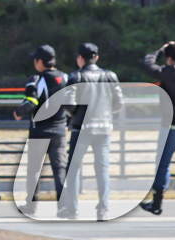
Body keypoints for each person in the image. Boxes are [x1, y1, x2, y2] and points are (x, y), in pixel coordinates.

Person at [61, 43, 123, 221]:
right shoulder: (110, 76)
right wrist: (106, 112)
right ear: (96, 57)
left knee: (74, 168)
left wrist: (76, 115)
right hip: (104, 127)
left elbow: (68, 103)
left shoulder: (75, 76)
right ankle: (103, 209)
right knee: (102, 168)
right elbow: (119, 102)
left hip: (82, 128)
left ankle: (72, 209)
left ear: (80, 58)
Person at [14, 44, 72, 211]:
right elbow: (71, 104)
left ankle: (31, 205)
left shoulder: (36, 79)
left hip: (40, 131)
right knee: (60, 169)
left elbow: (30, 103)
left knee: (34, 170)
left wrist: (18, 112)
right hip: (60, 130)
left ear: (39, 62)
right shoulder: (66, 77)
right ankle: (63, 206)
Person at [138, 40, 175, 216]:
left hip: (171, 124)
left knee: (163, 164)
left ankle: (157, 203)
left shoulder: (169, 73)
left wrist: (160, 49)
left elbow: (147, 65)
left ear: (169, 58)